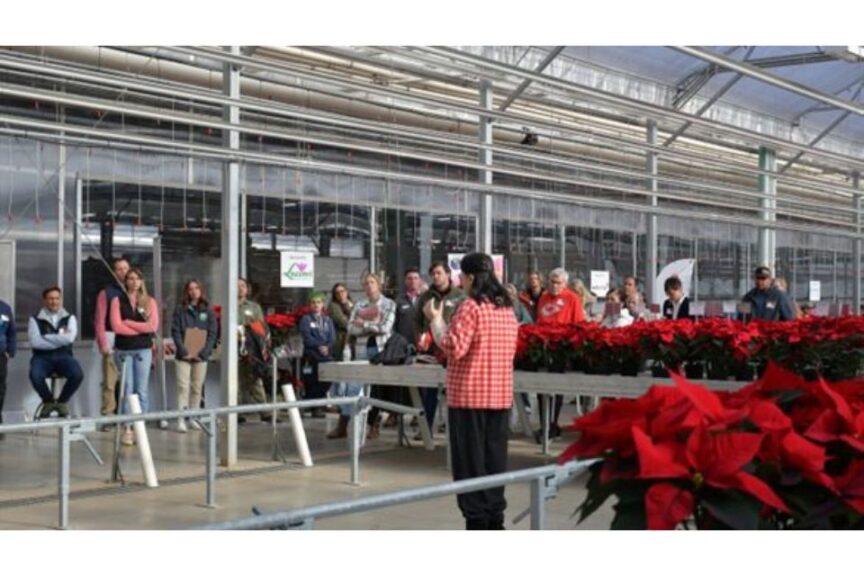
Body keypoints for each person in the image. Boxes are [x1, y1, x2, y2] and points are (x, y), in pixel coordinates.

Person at [423, 253, 518, 530]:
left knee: (470, 463)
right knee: (494, 461)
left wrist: (436, 320)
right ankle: (494, 520)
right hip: (499, 397)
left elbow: (454, 346)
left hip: (469, 398)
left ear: (471, 277)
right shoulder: (506, 309)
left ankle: (476, 521)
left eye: (461, 276)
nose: (459, 281)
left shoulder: (470, 307)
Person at [416, 261, 466, 434]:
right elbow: (418, 320)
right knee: (429, 391)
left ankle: (454, 428)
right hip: (431, 351)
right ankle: (426, 427)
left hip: (453, 348)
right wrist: (421, 336)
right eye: (433, 274)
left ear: (447, 274)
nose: (435, 277)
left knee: (452, 391)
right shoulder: (426, 296)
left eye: (438, 273)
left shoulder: (460, 295)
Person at [110, 268, 159, 446]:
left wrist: (129, 323)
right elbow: (116, 326)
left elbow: (152, 327)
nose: (134, 282)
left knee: (141, 390)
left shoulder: (149, 301)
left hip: (143, 350)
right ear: (126, 281)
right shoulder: (117, 300)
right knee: (127, 389)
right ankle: (127, 428)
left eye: (137, 278)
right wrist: (139, 327)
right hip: (123, 350)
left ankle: (140, 427)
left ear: (141, 281)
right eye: (130, 278)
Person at [534, 268, 584, 438]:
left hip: (561, 348)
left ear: (565, 284)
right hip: (543, 346)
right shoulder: (544, 297)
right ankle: (544, 424)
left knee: (555, 387)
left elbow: (578, 324)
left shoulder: (572, 298)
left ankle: (552, 424)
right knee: (541, 388)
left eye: (558, 283)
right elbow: (539, 320)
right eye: (552, 282)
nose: (554, 285)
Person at [347, 273, 396, 439]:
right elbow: (351, 329)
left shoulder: (389, 304)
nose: (369, 286)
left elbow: (386, 327)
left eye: (372, 282)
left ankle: (373, 423)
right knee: (356, 387)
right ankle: (347, 423)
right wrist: (372, 326)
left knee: (377, 388)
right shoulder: (359, 305)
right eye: (366, 283)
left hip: (381, 350)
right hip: (362, 350)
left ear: (379, 285)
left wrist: (365, 324)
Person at [28, 287, 84, 418]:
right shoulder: (34, 319)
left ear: (61, 299)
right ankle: (48, 401)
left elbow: (70, 339)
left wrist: (47, 337)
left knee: (77, 374)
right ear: (44, 300)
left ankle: (61, 402)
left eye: (57, 298)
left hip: (64, 356)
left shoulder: (70, 318)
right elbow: (36, 342)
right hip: (41, 357)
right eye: (51, 298)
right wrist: (60, 340)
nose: (54, 302)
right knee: (35, 375)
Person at [170, 279, 218, 433]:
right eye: (190, 288)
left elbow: (212, 334)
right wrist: (184, 351)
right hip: (183, 356)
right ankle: (181, 419)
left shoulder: (208, 311)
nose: (194, 291)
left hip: (200, 356)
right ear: (186, 292)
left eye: (196, 288)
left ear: (201, 290)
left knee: (197, 388)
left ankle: (193, 418)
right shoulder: (180, 310)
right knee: (183, 387)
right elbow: (175, 332)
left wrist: (203, 353)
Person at [94, 257, 130, 418]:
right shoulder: (106, 293)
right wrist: (103, 344)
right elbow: (99, 320)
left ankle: (128, 415)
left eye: (125, 268)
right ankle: (108, 415)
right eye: (119, 269)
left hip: (132, 340)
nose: (123, 272)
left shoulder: (137, 291)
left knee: (129, 382)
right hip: (112, 339)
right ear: (114, 273)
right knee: (110, 381)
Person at [236, 277, 274, 423]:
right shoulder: (229, 305)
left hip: (252, 350)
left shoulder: (254, 307)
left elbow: (261, 328)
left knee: (255, 380)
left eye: (243, 286)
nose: (240, 288)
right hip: (235, 349)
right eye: (237, 286)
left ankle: (265, 412)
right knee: (235, 382)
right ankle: (236, 412)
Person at [326, 283, 359, 439]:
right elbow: (345, 323)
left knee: (351, 379)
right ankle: (338, 403)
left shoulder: (353, 304)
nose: (341, 294)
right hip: (341, 344)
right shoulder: (333, 306)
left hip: (354, 345)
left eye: (343, 291)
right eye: (337, 292)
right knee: (340, 376)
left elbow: (358, 318)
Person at [299, 292, 336, 419]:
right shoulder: (306, 319)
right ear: (310, 305)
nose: (316, 305)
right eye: (313, 302)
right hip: (311, 356)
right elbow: (307, 337)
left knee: (326, 381)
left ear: (323, 305)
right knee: (311, 381)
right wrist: (320, 346)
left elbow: (332, 338)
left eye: (319, 302)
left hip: (326, 357)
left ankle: (311, 403)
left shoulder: (328, 320)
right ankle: (314, 407)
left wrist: (327, 347)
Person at [0, 297, 15, 434]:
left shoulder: (5, 308)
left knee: (0, 388)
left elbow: (11, 332)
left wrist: (10, 351)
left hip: (0, 355)